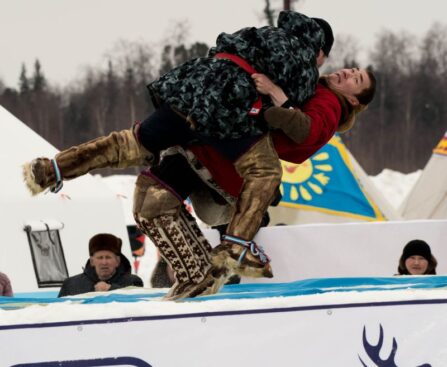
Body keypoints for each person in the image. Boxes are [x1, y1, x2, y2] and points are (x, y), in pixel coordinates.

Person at [23, 11, 335, 299]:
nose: (320, 65)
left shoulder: (258, 33)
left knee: (131, 142)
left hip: (192, 87)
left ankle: (53, 168)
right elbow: (292, 117)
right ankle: (236, 248)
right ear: (319, 50)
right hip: (229, 109)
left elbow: (219, 47)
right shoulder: (304, 60)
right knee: (266, 174)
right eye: (323, 60)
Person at [58, 233, 143, 297]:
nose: (104, 262)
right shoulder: (71, 285)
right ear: (92, 261)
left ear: (117, 261)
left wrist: (111, 289)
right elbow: (57, 312)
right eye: (100, 258)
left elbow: (139, 305)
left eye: (108, 257)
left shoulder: (133, 282)